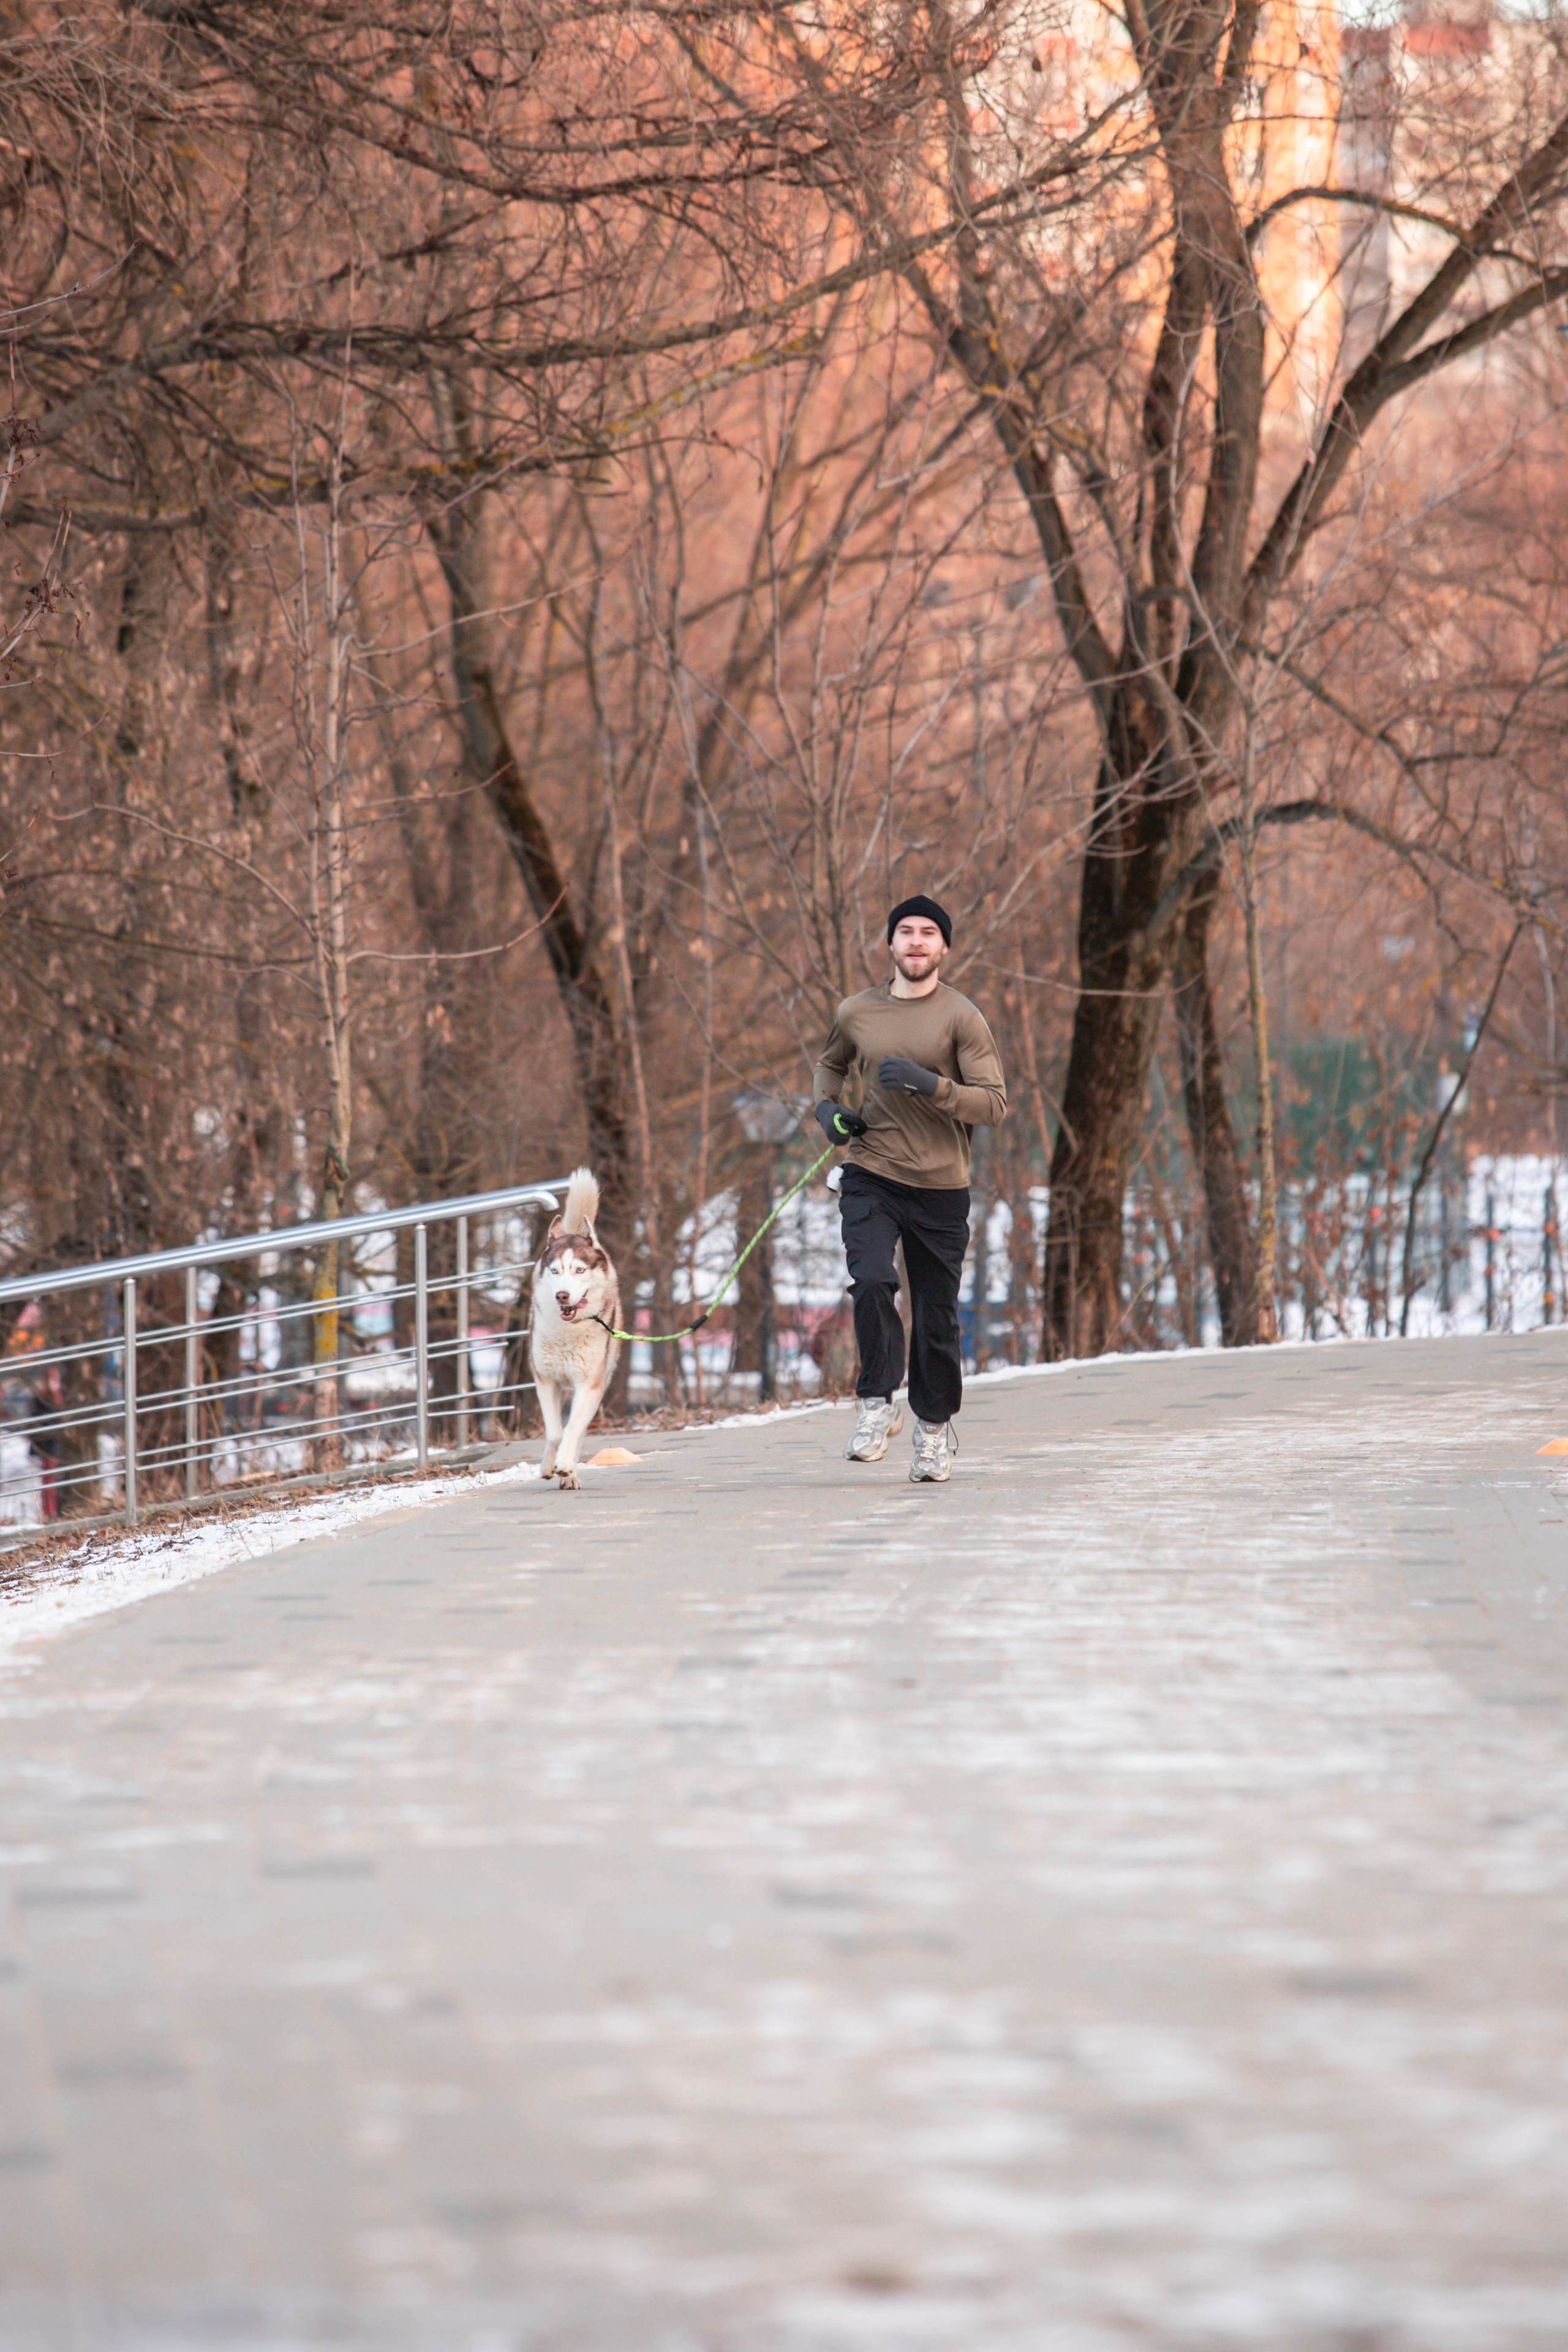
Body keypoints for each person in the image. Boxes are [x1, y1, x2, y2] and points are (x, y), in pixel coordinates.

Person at [812, 895, 1007, 1482]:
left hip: (941, 1186)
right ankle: (876, 1403)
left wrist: (933, 1085)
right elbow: (830, 1064)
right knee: (871, 1280)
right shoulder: (856, 1012)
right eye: (906, 932)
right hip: (871, 1171)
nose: (917, 942)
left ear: (944, 947)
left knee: (937, 1317)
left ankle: (933, 1427)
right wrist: (828, 1112)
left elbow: (994, 1104)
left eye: (929, 933)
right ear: (890, 944)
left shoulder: (961, 1017)